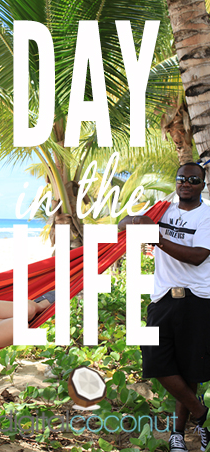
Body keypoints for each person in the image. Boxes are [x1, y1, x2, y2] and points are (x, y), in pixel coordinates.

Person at [119, 162, 210, 452]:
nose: (186, 183)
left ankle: (178, 435)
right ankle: (200, 412)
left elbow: (198, 256)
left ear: (202, 185)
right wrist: (134, 222)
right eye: (181, 178)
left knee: (190, 370)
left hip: (198, 299)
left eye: (193, 179)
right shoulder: (162, 211)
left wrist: (157, 238)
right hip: (162, 298)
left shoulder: (207, 215)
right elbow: (123, 226)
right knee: (155, 361)